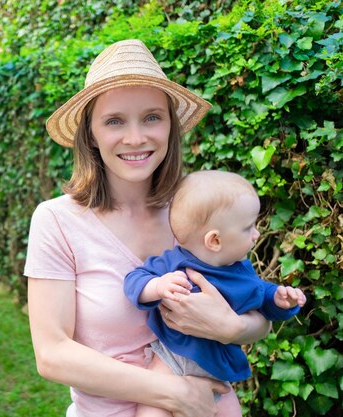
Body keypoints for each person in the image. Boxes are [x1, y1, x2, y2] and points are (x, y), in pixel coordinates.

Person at [24, 39, 272, 417]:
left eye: (152, 117)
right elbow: (52, 353)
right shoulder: (57, 220)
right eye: (114, 120)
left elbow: (254, 307)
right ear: (90, 133)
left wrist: (231, 328)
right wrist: (174, 393)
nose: (136, 137)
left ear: (171, 125)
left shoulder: (197, 211)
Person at [123, 170, 306, 417]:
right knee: (151, 412)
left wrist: (280, 300)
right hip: (170, 360)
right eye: (248, 228)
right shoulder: (173, 264)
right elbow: (134, 280)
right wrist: (157, 286)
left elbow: (262, 297)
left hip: (216, 373)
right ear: (215, 241)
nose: (257, 234)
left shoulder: (242, 273)